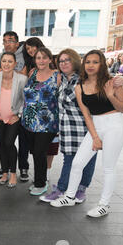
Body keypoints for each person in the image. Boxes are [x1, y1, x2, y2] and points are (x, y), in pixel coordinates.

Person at [50, 50, 123, 217]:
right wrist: (95, 137)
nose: (91, 65)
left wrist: (110, 95)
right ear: (83, 65)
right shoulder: (80, 86)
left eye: (95, 62)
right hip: (96, 126)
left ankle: (104, 205)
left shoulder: (112, 82)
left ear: (101, 65)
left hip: (115, 125)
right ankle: (70, 196)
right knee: (77, 163)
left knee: (108, 167)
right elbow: (86, 115)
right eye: (88, 62)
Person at [40, 48, 101, 203]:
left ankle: (72, 189)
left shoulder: (82, 80)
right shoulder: (64, 80)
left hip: (84, 127)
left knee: (85, 159)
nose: (64, 63)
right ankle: (69, 189)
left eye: (67, 60)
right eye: (61, 61)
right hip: (67, 129)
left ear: (74, 61)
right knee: (71, 159)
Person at [22, 47, 60, 196]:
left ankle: (41, 183)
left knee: (39, 151)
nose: (41, 61)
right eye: (38, 58)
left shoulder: (57, 76)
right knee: (36, 152)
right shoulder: (32, 73)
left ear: (50, 59)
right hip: (29, 122)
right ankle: (39, 179)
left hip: (47, 123)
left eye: (44, 57)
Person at [0, 52, 27, 188]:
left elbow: (25, 100)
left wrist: (18, 115)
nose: (6, 64)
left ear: (15, 64)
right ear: (0, 63)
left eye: (10, 61)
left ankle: (13, 173)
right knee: (2, 144)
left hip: (13, 117)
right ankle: (4, 173)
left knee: (9, 143)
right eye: (4, 61)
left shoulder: (22, 79)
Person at [0, 31, 29, 182]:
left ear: (17, 42)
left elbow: (23, 83)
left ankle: (21, 168)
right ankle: (5, 169)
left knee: (19, 141)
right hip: (1, 111)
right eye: (4, 41)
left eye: (10, 41)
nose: (7, 43)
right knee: (4, 142)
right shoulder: (1, 57)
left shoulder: (25, 56)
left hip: (17, 111)